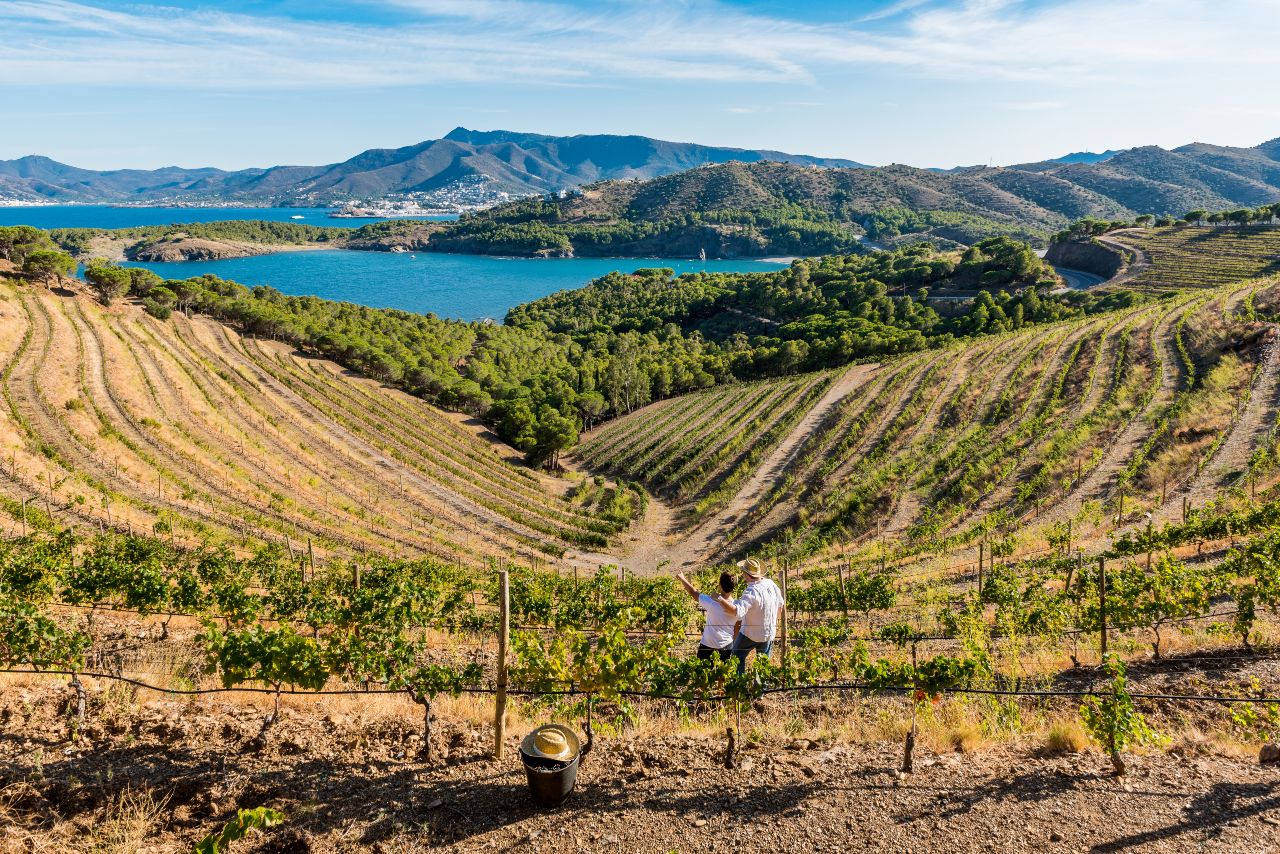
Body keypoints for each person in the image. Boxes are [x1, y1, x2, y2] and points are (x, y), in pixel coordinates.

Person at [716, 558, 784, 673]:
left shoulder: (751, 591)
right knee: (763, 664)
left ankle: (739, 685)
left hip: (750, 634)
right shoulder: (771, 584)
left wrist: (720, 599)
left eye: (743, 572)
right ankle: (761, 689)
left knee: (737, 657)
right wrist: (772, 623)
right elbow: (780, 605)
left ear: (746, 574)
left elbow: (737, 611)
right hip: (769, 633)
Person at [676, 570, 738, 660]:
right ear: (733, 587)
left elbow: (693, 592)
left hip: (707, 644)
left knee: (700, 672)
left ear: (720, 586)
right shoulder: (737, 606)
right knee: (723, 672)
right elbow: (738, 625)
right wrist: (733, 638)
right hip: (726, 646)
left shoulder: (711, 602)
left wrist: (682, 578)